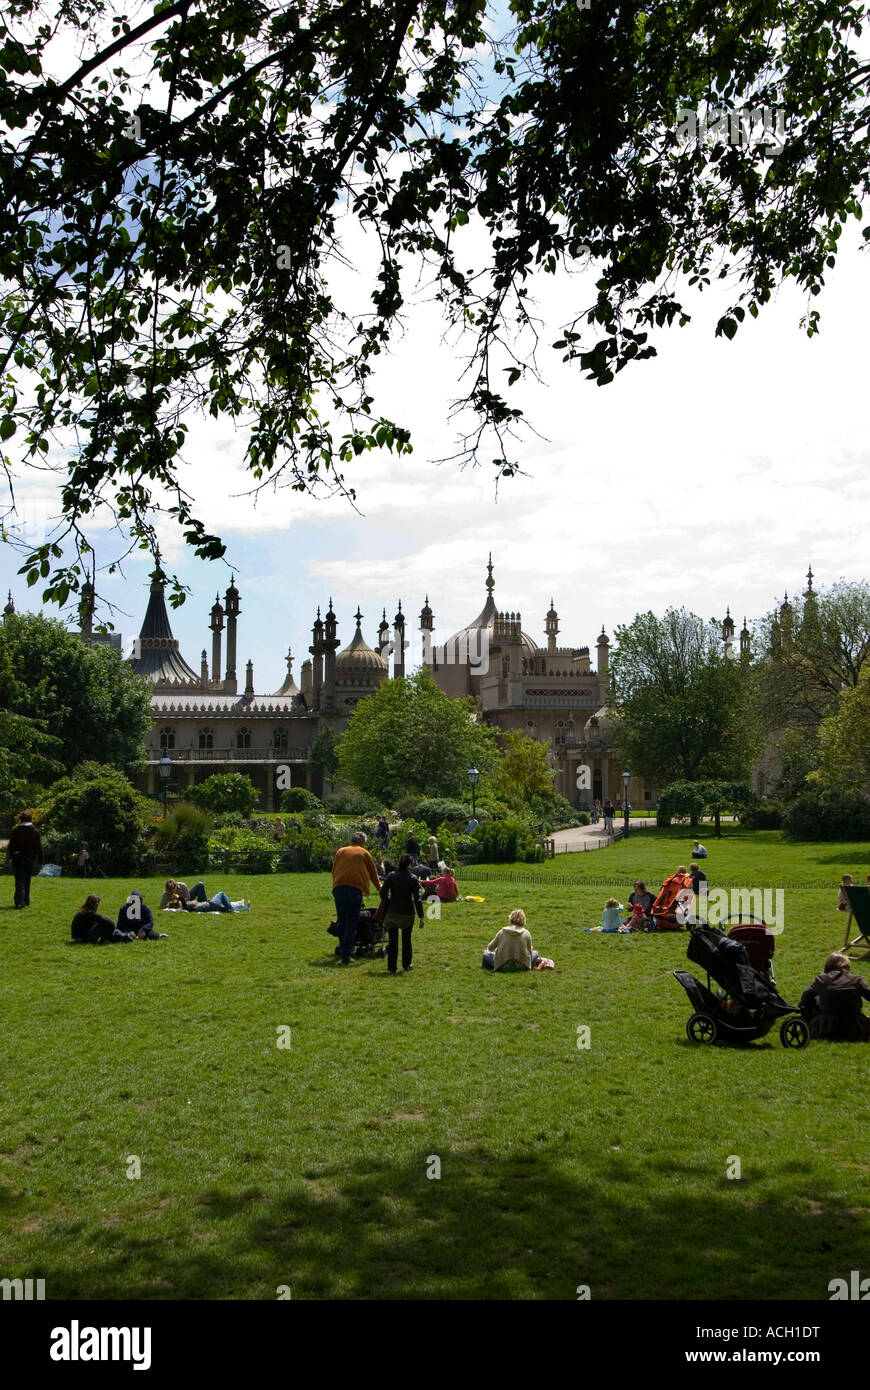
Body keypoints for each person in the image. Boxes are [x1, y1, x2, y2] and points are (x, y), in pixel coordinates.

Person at [331, 831, 380, 964]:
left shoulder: (341, 851)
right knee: (351, 922)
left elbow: (334, 869)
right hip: (354, 889)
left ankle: (343, 949)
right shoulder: (364, 853)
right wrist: (379, 888)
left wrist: (336, 884)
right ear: (362, 842)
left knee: (342, 922)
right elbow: (373, 873)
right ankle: (346, 955)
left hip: (339, 888)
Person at [800, 953, 870, 1040]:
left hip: (826, 1028)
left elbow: (805, 997)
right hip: (855, 1028)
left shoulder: (821, 979)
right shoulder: (856, 980)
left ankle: (806, 1026)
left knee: (813, 1000)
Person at [379, 852, 424, 973]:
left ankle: (392, 967)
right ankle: (407, 964)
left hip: (393, 911)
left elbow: (382, 893)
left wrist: (389, 898)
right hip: (407, 913)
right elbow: (417, 899)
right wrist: (421, 916)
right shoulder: (413, 879)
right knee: (406, 940)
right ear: (410, 864)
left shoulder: (391, 876)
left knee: (393, 940)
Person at [7, 810, 43, 909]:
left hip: (17, 858)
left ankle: (19, 902)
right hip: (29, 858)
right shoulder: (35, 831)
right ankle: (26, 900)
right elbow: (39, 848)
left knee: (19, 880)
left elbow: (10, 846)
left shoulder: (16, 830)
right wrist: (40, 861)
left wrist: (10, 857)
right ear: (31, 819)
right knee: (27, 880)